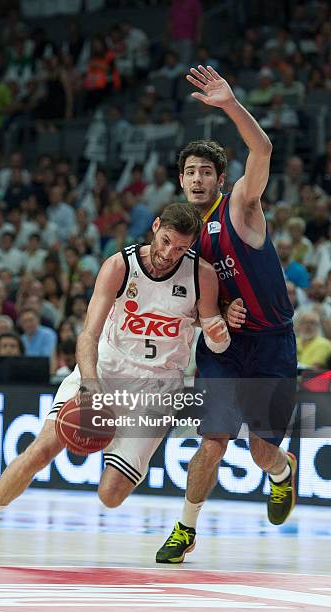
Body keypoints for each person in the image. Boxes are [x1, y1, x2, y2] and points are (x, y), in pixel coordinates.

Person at [0, 202, 232, 559]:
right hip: (105, 371)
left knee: (111, 496)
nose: (169, 253)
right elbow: (87, 336)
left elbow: (218, 342)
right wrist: (90, 386)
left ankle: (125, 461)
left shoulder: (201, 275)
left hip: (157, 388)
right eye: (166, 241)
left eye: (180, 248)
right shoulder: (119, 265)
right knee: (42, 449)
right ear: (155, 226)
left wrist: (219, 330)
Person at [156, 66, 298, 564]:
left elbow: (261, 151)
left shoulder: (240, 207)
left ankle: (283, 473)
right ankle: (185, 528)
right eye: (189, 171)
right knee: (213, 441)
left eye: (205, 172)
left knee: (262, 453)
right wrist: (212, 315)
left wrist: (230, 105)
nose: (197, 178)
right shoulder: (179, 237)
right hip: (222, 347)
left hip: (272, 343)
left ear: (219, 179)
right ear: (180, 180)